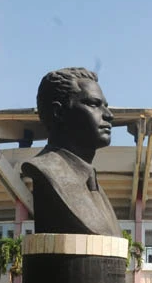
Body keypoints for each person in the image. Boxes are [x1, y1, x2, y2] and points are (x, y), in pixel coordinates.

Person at [21, 67, 121, 236]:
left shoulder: (95, 186)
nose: (108, 115)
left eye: (105, 106)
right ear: (58, 112)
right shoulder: (48, 171)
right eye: (93, 104)